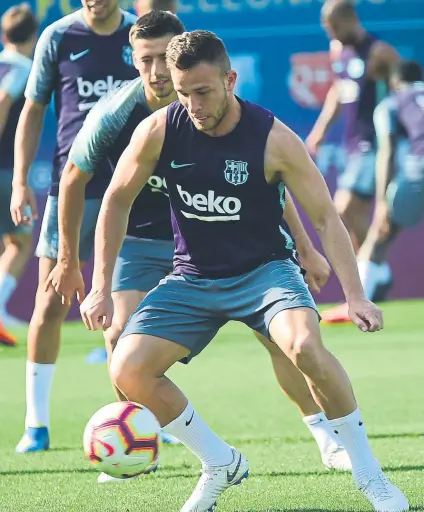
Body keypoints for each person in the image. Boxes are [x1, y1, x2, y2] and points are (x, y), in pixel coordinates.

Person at [80, 30, 408, 512]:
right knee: (127, 369)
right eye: (183, 91)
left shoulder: (274, 138)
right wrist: (99, 287)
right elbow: (114, 202)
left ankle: (369, 474)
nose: (192, 103)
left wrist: (355, 294)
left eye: (204, 91)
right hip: (192, 277)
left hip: (265, 274)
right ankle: (220, 463)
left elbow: (324, 218)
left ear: (230, 80)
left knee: (305, 347)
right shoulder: (158, 129)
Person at [47, 11, 349, 477]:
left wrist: (306, 249)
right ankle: (137, 444)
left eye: (164, 60)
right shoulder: (116, 114)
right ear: (134, 59)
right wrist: (71, 261)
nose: (158, 72)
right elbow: (74, 180)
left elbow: (267, 184)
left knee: (280, 340)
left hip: (225, 235)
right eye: (146, 60)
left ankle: (325, 434)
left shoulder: (218, 105)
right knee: (118, 335)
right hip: (147, 238)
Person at [11, 0, 139, 453]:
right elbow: (32, 109)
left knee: (122, 314)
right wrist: (21, 180)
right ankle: (36, 424)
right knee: (49, 303)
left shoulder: (139, 35)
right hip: (72, 189)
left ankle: (134, 423)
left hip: (132, 189)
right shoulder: (59, 37)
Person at [305, 0, 399, 322]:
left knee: (343, 207)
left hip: (375, 143)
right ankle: (374, 272)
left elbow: (406, 92)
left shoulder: (379, 52)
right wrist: (319, 132)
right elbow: (338, 92)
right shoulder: (337, 50)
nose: (331, 34)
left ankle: (370, 274)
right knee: (350, 211)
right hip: (351, 145)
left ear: (349, 20)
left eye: (334, 27)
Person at [356, 61, 424, 299]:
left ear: (394, 82)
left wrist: (382, 204)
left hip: (420, 170)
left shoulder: (392, 103)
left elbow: (387, 151)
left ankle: (358, 303)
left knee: (380, 234)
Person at [0, 4, 38, 345]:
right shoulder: (24, 68)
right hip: (4, 170)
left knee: (8, 240)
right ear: (35, 36)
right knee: (22, 239)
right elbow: (3, 100)